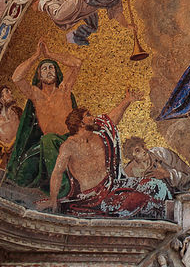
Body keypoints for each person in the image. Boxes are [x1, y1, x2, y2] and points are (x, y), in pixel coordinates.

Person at [43, 90, 173, 218]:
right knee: (137, 201)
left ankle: (171, 210)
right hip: (92, 197)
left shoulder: (100, 135)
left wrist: (127, 100)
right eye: (88, 115)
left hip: (112, 185)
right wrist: (53, 201)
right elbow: (57, 172)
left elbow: (111, 120)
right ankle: (169, 214)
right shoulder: (69, 146)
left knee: (157, 186)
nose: (93, 118)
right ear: (80, 123)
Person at [6, 41, 80, 190]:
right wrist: (35, 56)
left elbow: (76, 63)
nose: (48, 71)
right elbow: (16, 78)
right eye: (44, 69)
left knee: (48, 140)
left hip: (67, 139)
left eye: (51, 67)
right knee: (25, 168)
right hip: (46, 144)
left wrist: (49, 55)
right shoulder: (35, 95)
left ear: (57, 71)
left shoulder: (63, 89)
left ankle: (62, 189)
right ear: (39, 75)